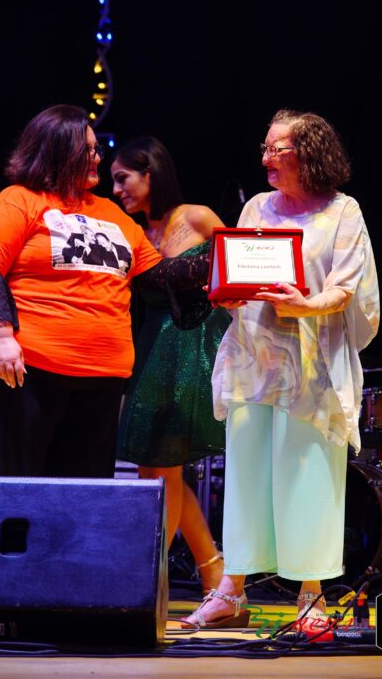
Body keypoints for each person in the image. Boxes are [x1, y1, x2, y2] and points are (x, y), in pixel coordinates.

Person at [183, 110, 379, 630]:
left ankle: (311, 597)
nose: (266, 158)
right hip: (254, 358)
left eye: (277, 149)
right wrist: (226, 292)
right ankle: (231, 592)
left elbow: (346, 288)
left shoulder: (342, 211)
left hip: (311, 365)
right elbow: (239, 271)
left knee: (308, 475)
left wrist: (304, 305)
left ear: (308, 153)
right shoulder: (256, 206)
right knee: (247, 475)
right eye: (265, 149)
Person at [0, 105, 207, 478]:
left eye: (96, 149)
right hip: (27, 370)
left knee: (80, 498)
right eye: (87, 150)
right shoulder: (18, 200)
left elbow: (159, 273)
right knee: (11, 490)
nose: (97, 158)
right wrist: (1, 337)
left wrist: (225, 263)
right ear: (57, 151)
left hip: (103, 376)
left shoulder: (111, 214)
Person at [111, 136, 231, 593]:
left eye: (123, 178)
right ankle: (213, 571)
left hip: (194, 347)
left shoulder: (196, 216)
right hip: (150, 351)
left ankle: (151, 582)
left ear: (150, 173)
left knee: (164, 470)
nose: (116, 189)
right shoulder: (133, 233)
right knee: (154, 470)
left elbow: (241, 265)